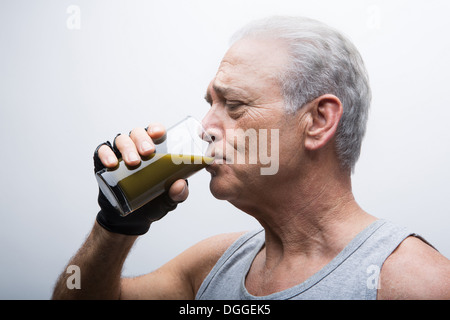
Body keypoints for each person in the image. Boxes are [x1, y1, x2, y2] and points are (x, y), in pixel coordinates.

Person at [52, 16, 449, 300]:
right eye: (210, 104)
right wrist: (114, 226)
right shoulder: (214, 265)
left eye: (234, 104)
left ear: (318, 120)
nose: (206, 126)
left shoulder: (411, 282)